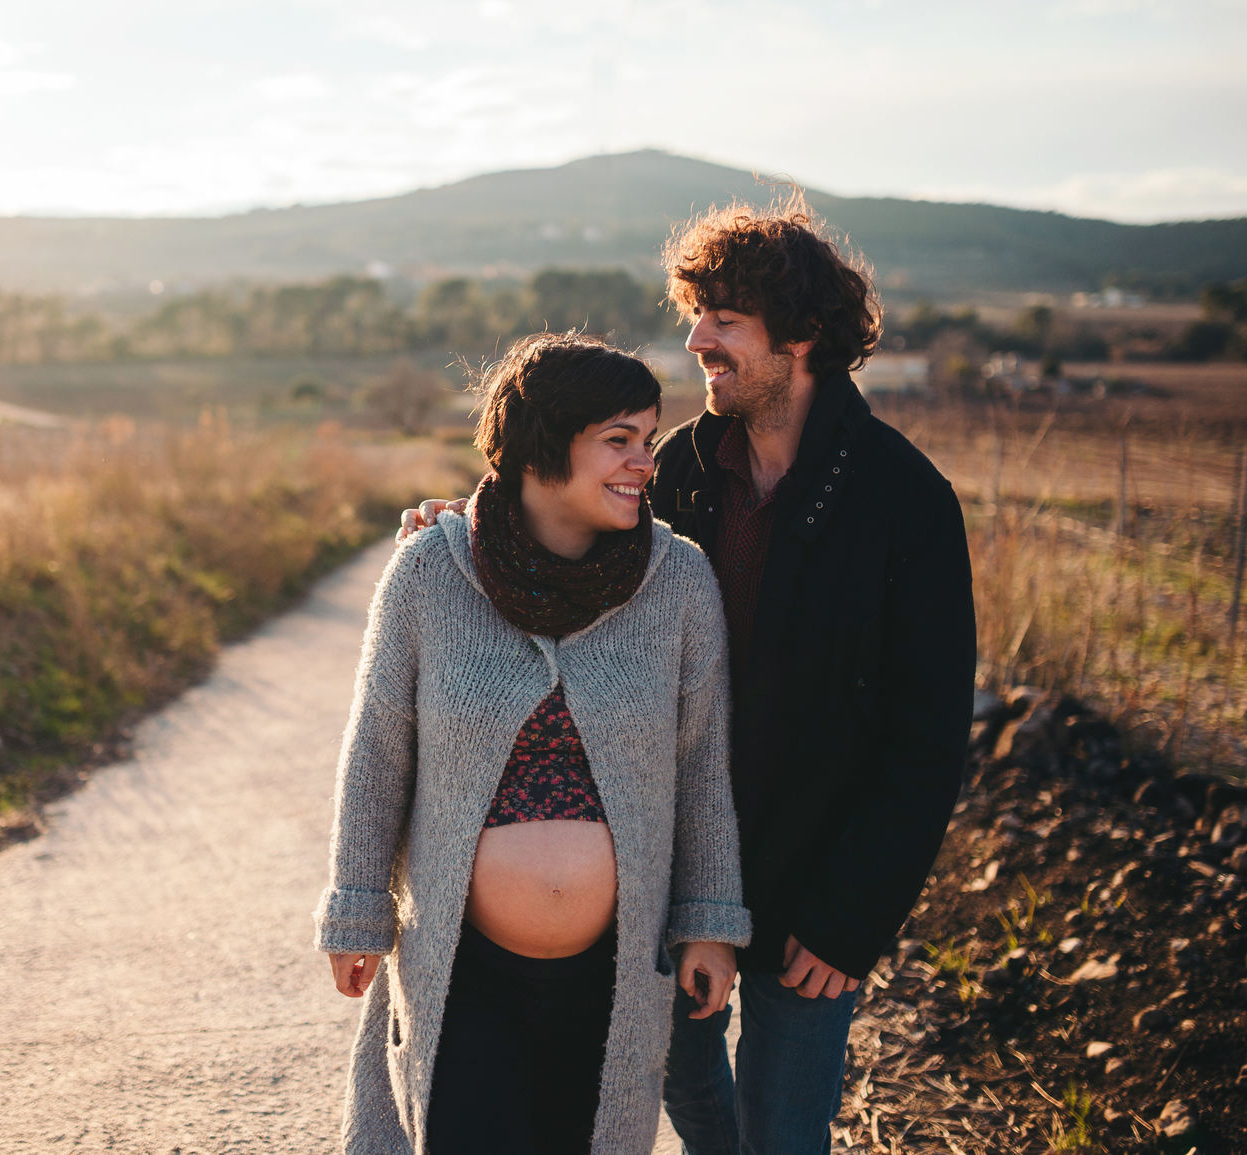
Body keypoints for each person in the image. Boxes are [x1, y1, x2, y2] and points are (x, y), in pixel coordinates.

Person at [398, 197, 976, 1155]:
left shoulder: (904, 501)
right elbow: (568, 519)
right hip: (671, 866)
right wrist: (467, 528)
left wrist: (852, 918)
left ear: (803, 336)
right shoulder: (678, 469)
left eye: (725, 320)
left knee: (785, 1129)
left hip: (814, 881)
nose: (695, 337)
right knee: (681, 1084)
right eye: (695, 313)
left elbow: (926, 740)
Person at [315, 332, 752, 1155]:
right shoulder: (429, 574)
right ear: (541, 448)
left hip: (611, 975)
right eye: (617, 441)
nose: (642, 464)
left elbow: (701, 767)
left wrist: (709, 922)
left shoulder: (679, 581)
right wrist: (356, 905)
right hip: (462, 968)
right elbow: (376, 748)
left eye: (648, 442)